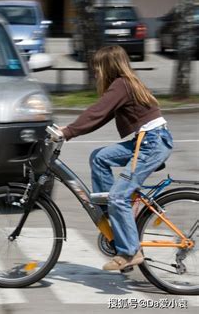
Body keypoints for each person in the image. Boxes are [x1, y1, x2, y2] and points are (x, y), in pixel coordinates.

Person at [59, 45, 174, 271]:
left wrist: (67, 132)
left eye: (97, 68)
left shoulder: (121, 84)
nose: (95, 73)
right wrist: (70, 130)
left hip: (152, 143)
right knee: (99, 157)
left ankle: (130, 251)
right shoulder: (125, 84)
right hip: (149, 140)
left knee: (118, 197)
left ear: (108, 67)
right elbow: (101, 117)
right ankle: (112, 213)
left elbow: (97, 111)